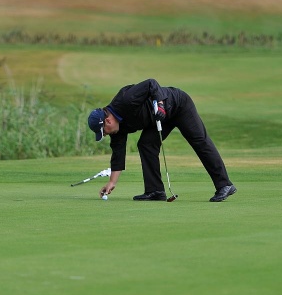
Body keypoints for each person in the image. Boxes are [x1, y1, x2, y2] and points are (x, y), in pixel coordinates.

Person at [88, 78, 236, 202]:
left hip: (178, 105)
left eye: (104, 132)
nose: (106, 135)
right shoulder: (117, 129)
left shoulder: (126, 100)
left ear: (107, 121)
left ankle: (224, 185)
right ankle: (155, 191)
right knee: (146, 144)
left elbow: (151, 84)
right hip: (159, 119)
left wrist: (160, 105)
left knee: (199, 141)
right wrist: (112, 182)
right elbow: (118, 155)